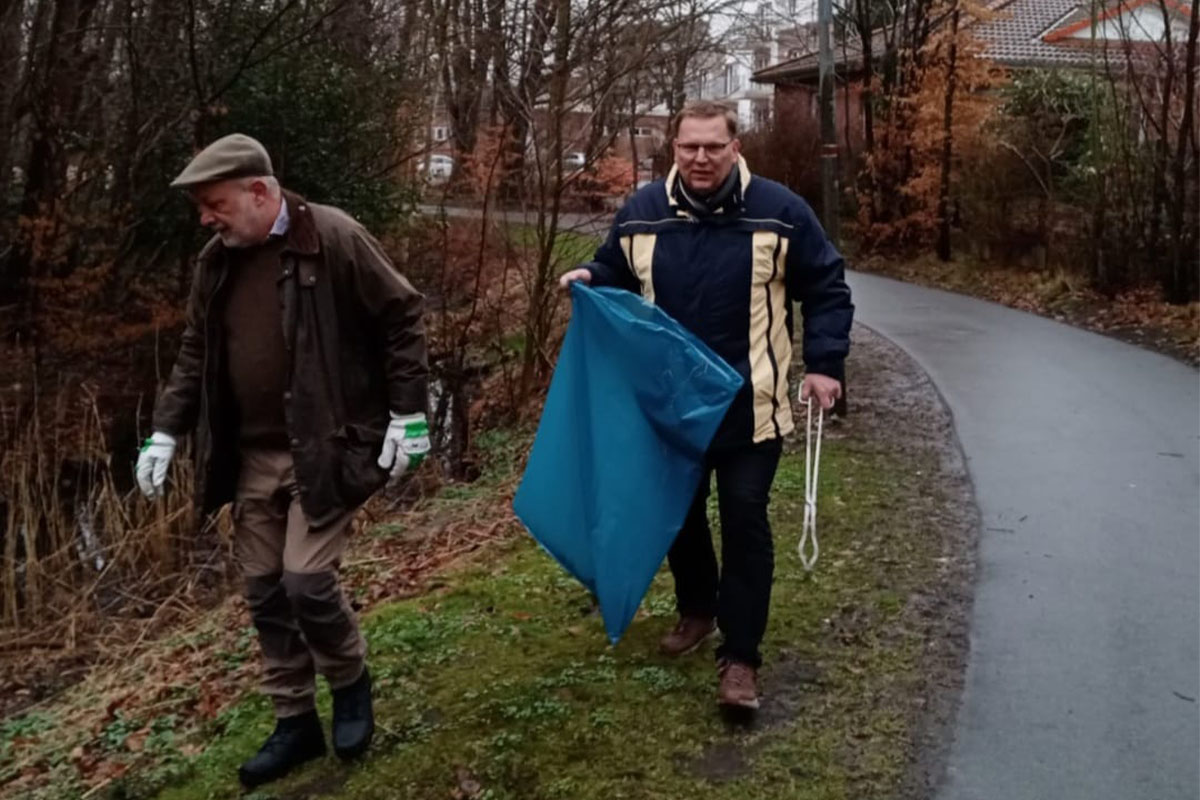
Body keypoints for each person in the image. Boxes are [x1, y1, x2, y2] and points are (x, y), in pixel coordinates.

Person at [135, 133, 430, 787]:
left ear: (259, 191)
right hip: (252, 457)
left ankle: (350, 682)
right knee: (264, 590)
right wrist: (165, 431)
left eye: (214, 204)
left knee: (306, 582)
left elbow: (403, 314)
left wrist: (410, 413)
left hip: (327, 449)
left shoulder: (333, 236)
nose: (206, 219)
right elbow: (194, 350)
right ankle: (294, 720)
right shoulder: (216, 262)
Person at [560, 101, 853, 711]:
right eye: (689, 147)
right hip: (671, 411)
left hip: (755, 405)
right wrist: (590, 277)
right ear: (675, 148)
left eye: (713, 147)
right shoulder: (642, 213)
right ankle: (698, 608)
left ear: (735, 147)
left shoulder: (782, 213)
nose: (700, 158)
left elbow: (826, 287)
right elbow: (614, 269)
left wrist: (824, 364)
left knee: (744, 519)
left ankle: (740, 658)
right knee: (682, 516)